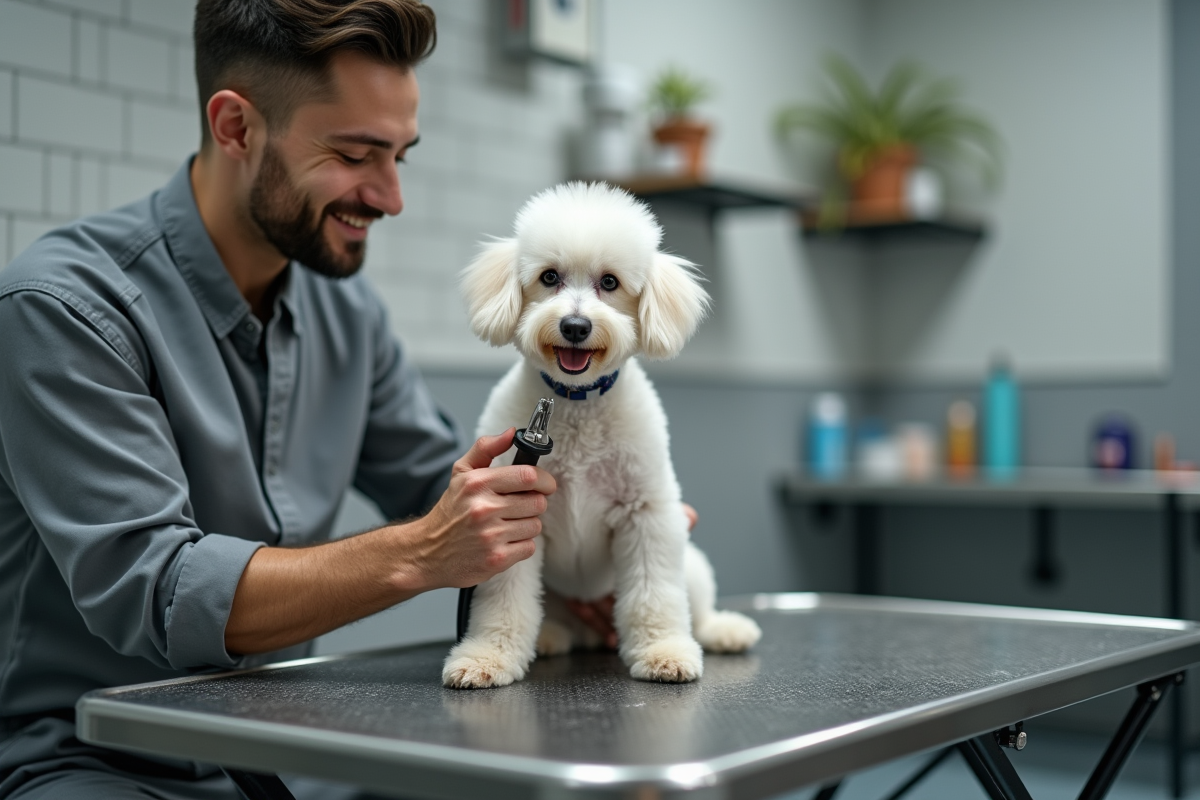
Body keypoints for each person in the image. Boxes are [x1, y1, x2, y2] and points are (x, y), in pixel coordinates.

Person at [0, 1, 562, 798]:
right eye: (358, 154)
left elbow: (439, 485)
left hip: (282, 754)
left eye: (400, 155)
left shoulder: (348, 315)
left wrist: (586, 540)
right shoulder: (61, 310)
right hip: (92, 762)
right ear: (235, 127)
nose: (390, 196)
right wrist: (421, 552)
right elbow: (159, 592)